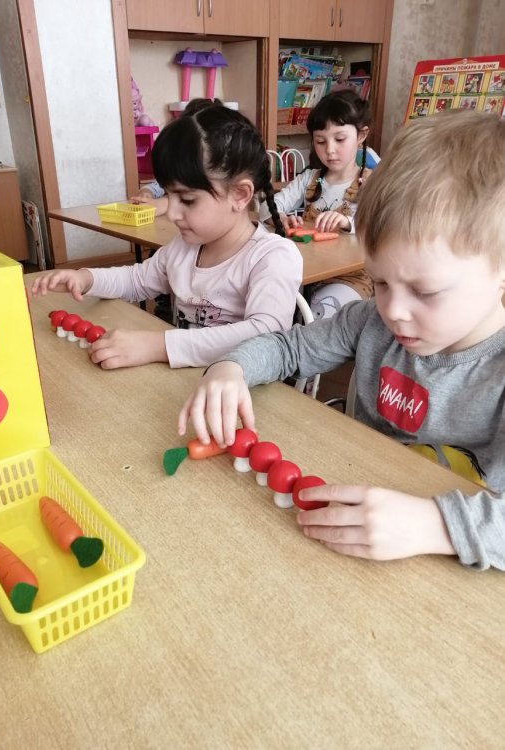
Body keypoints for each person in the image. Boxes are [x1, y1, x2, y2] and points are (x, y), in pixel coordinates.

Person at [178, 109, 505, 571]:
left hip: (453, 565)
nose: (393, 310)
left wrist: (437, 526)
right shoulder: (372, 321)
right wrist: (231, 369)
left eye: (425, 291)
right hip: (352, 534)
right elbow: (288, 347)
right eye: (381, 282)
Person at [31, 104, 302, 370]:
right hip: (184, 381)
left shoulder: (272, 257)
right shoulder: (185, 247)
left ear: (240, 195)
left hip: (238, 391)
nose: (171, 213)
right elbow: (136, 280)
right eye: (169, 195)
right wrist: (85, 279)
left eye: (187, 199)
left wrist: (159, 346)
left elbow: (265, 335)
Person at [261, 90, 375, 321]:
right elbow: (268, 206)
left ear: (361, 135)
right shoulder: (311, 179)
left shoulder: (372, 182)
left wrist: (348, 222)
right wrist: (280, 217)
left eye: (340, 139)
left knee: (315, 319)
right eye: (321, 141)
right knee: (271, 308)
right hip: (305, 274)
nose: (329, 150)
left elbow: (381, 225)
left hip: (350, 278)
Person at [130, 98, 225, 217]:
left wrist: (166, 203)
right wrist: (146, 192)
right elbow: (159, 186)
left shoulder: (218, 175)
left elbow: (210, 198)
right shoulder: (180, 168)